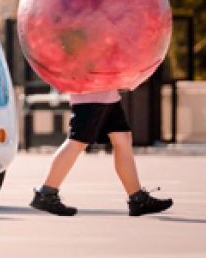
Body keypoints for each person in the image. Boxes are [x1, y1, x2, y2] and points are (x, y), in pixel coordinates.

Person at [30, 89, 173, 217]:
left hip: (107, 93)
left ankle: (137, 199)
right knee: (78, 140)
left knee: (122, 138)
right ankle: (46, 193)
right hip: (91, 92)